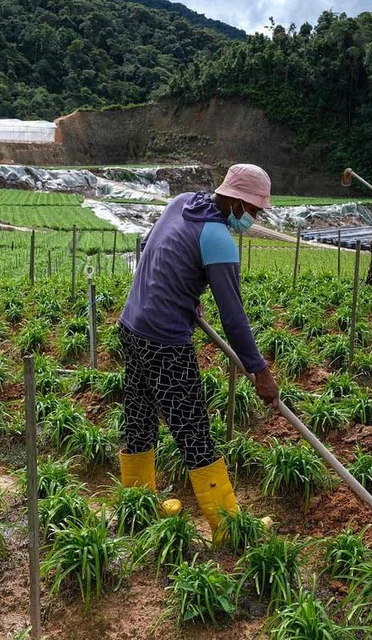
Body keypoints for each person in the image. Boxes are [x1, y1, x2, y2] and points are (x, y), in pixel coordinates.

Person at [118, 163, 279, 537]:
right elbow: (233, 315)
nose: (253, 218)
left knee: (140, 417)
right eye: (253, 210)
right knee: (193, 431)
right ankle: (226, 527)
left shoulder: (182, 202)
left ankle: (137, 506)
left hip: (132, 326)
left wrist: (180, 291)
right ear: (237, 202)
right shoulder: (218, 237)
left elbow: (148, 246)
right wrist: (259, 370)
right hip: (165, 343)